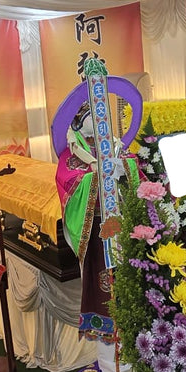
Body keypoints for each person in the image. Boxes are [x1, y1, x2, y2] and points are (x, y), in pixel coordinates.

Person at [56, 105, 138, 341]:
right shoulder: (71, 155)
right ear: (78, 121)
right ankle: (102, 328)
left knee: (128, 276)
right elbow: (68, 182)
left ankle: (133, 325)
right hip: (95, 231)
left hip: (122, 225)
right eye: (87, 115)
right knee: (102, 281)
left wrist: (123, 167)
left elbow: (132, 164)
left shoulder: (113, 145)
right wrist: (97, 175)